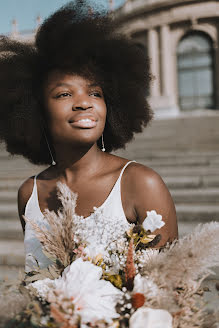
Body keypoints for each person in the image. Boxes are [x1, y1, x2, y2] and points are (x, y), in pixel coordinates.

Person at [0, 1, 178, 272]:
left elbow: (170, 291)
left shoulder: (141, 183)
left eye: (95, 93)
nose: (85, 103)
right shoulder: (30, 193)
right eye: (64, 94)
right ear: (34, 110)